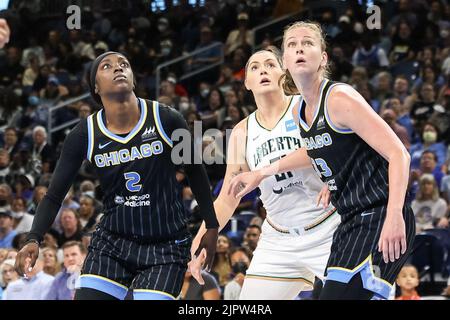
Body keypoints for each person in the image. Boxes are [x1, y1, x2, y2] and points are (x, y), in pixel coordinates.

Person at [228, 22, 416, 300]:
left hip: (378, 215)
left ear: (323, 58)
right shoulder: (300, 112)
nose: (299, 48)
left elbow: (399, 154)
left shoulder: (339, 98)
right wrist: (330, 179)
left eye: (307, 43)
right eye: (291, 45)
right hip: (350, 223)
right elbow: (321, 152)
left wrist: (394, 215)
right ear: (287, 63)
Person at [15, 52, 219, 300]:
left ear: (133, 80)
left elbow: (196, 171)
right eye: (107, 66)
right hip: (113, 241)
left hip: (166, 245)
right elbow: (54, 194)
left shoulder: (167, 118)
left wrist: (211, 225)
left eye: (124, 64)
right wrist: (34, 237)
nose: (118, 68)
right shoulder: (84, 134)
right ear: (96, 87)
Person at [191, 47, 340, 300]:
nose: (263, 70)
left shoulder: (305, 105)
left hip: (327, 228)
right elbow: (228, 197)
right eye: (255, 67)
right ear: (247, 83)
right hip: (278, 239)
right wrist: (203, 238)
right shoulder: (241, 131)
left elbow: (332, 149)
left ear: (283, 73)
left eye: (271, 64)